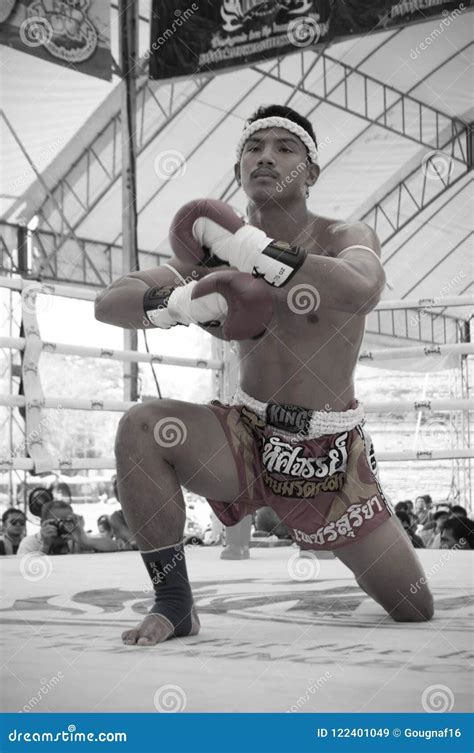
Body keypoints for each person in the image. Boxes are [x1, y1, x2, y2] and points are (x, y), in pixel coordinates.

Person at [95, 103, 434, 646]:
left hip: (329, 453)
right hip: (246, 438)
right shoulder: (210, 257)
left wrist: (253, 253)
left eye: (285, 148)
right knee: (142, 426)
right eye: (254, 148)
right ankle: (174, 603)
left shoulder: (341, 234)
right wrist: (180, 301)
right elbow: (109, 303)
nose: (266, 157)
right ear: (238, 172)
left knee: (414, 607)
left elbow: (362, 286)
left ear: (312, 171)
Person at [17, 500, 122, 555]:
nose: (62, 525)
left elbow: (115, 547)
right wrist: (45, 545)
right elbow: (25, 573)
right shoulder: (30, 543)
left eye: (67, 521)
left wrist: (85, 539)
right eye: (57, 521)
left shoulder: (75, 538)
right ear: (43, 523)